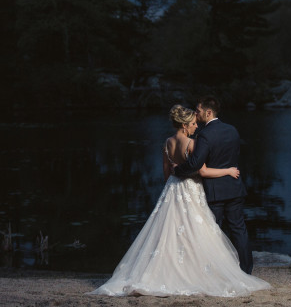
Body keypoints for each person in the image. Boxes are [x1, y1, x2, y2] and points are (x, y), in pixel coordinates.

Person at [88, 105, 271, 297]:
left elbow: (167, 174)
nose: (195, 127)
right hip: (190, 189)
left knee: (170, 232)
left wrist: (173, 186)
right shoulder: (192, 144)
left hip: (172, 190)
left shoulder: (167, 142)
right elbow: (202, 171)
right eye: (192, 124)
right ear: (184, 126)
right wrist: (228, 171)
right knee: (197, 231)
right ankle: (197, 272)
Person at [174, 96, 254, 274]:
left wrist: (178, 170)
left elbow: (195, 163)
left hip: (214, 191)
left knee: (212, 232)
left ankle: (212, 272)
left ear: (208, 112)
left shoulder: (205, 134)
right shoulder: (232, 130)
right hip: (234, 186)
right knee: (239, 229)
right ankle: (247, 270)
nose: (196, 113)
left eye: (198, 110)